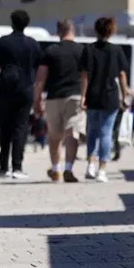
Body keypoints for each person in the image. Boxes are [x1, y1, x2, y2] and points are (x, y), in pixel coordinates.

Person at [0, 10, 41, 179]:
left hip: (6, 88)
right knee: (21, 127)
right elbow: (39, 70)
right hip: (26, 89)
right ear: (27, 24)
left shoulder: (2, 42)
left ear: (12, 23)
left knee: (5, 126)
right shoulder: (33, 44)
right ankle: (17, 167)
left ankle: (3, 167)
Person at [78, 17, 130, 183]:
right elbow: (122, 75)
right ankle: (102, 170)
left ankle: (90, 165)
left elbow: (84, 75)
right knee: (106, 133)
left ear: (96, 30)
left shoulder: (89, 49)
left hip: (93, 94)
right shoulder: (117, 50)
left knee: (92, 130)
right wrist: (125, 94)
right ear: (112, 31)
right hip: (110, 95)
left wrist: (83, 95)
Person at [33, 19, 84, 183]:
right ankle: (69, 168)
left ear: (58, 32)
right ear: (73, 31)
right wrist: (86, 96)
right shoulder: (82, 51)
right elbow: (86, 76)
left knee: (54, 136)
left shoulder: (50, 51)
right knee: (72, 133)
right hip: (75, 96)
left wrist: (36, 100)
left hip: (54, 97)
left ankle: (56, 169)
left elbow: (40, 78)